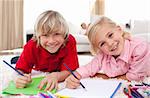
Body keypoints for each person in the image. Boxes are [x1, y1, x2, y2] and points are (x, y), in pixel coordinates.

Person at [65, 16, 150, 89]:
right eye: (102, 43)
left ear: (119, 30)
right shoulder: (103, 55)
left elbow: (134, 77)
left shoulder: (140, 48)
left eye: (110, 35)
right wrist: (74, 76)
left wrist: (108, 78)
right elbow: (88, 68)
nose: (110, 43)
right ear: (99, 48)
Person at [14, 10, 79, 91]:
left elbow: (69, 71)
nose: (51, 41)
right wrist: (18, 78)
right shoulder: (31, 45)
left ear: (64, 34)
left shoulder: (70, 41)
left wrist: (56, 76)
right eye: (45, 35)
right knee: (17, 60)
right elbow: (19, 70)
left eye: (57, 34)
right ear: (38, 37)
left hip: (57, 67)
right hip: (38, 63)